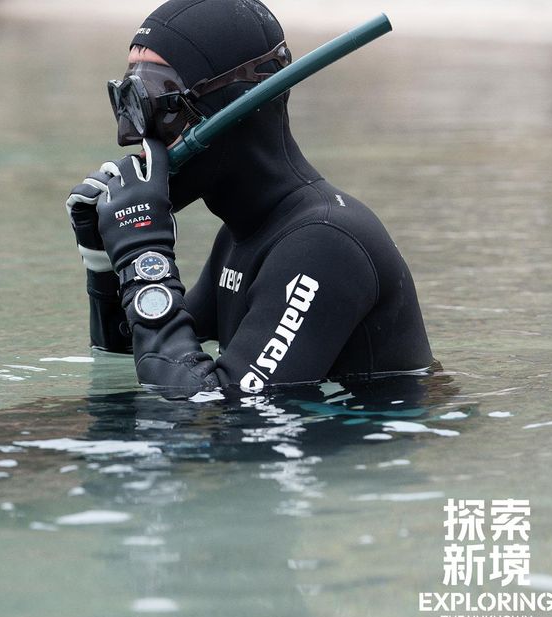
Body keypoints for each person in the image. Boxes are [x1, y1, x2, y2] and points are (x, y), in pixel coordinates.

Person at [66, 0, 434, 394]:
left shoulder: (325, 242)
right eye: (125, 103)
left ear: (238, 106)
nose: (132, 136)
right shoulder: (241, 238)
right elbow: (137, 353)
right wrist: (105, 261)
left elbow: (214, 408)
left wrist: (145, 256)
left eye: (155, 105)